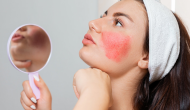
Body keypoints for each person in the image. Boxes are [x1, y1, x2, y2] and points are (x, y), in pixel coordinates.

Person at [20, 0, 190, 110]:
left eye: (118, 22)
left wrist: (95, 94)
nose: (93, 23)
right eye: (103, 15)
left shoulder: (92, 98)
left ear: (146, 57)